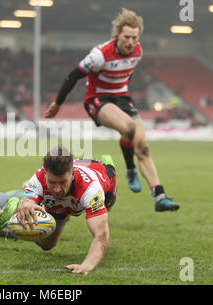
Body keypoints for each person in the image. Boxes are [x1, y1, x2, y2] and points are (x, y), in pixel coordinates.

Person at [44, 8, 179, 212]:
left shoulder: (138, 52)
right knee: (129, 128)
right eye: (126, 37)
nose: (131, 42)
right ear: (117, 36)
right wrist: (57, 103)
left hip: (122, 99)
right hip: (97, 99)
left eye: (135, 37)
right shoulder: (100, 55)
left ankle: (159, 195)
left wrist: (123, 92)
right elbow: (73, 76)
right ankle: (131, 169)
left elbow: (126, 74)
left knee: (142, 147)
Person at [16, 146, 117, 275]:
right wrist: (23, 203)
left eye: (63, 182)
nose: (57, 189)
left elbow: (101, 237)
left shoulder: (91, 189)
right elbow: (28, 201)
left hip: (103, 176)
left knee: (107, 208)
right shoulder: (38, 178)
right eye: (52, 182)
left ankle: (109, 163)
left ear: (72, 175)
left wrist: (87, 265)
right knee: (47, 244)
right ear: (45, 175)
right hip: (60, 203)